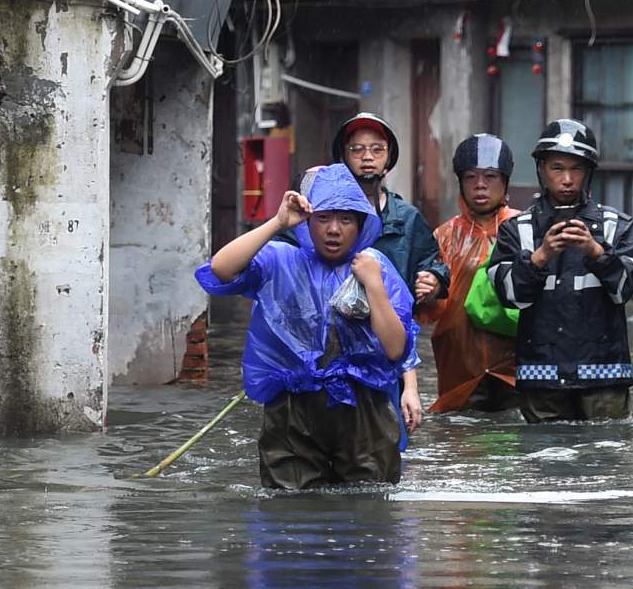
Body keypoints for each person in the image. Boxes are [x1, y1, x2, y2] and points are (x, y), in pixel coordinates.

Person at [195, 163, 416, 490]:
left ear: (360, 224)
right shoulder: (281, 260)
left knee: (369, 505)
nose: (334, 230)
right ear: (309, 221)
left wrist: (374, 286)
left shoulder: (374, 267)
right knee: (289, 509)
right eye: (324, 218)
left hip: (363, 407)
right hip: (293, 407)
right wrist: (277, 222)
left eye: (345, 219)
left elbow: (396, 348)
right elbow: (221, 269)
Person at [487, 119, 633, 423]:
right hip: (541, 376)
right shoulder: (515, 229)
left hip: (604, 377)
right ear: (542, 170)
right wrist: (540, 256)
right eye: (557, 168)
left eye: (576, 169)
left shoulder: (618, 226)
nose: (567, 179)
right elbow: (508, 297)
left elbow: (625, 290)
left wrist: (596, 251)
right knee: (544, 461)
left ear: (588, 173)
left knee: (605, 461)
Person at [331, 113, 448, 436]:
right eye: (357, 149)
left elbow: (433, 263)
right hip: (332, 355)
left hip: (389, 352)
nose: (367, 157)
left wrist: (433, 281)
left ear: (389, 158)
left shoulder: (406, 218)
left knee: (385, 448)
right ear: (343, 156)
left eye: (376, 149)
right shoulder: (322, 215)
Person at [415, 133, 522, 413]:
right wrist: (428, 289)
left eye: (490, 176)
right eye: (471, 177)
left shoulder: (524, 229)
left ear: (505, 182)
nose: (480, 186)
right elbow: (429, 312)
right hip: (460, 369)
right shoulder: (445, 236)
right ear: (461, 183)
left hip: (518, 369)